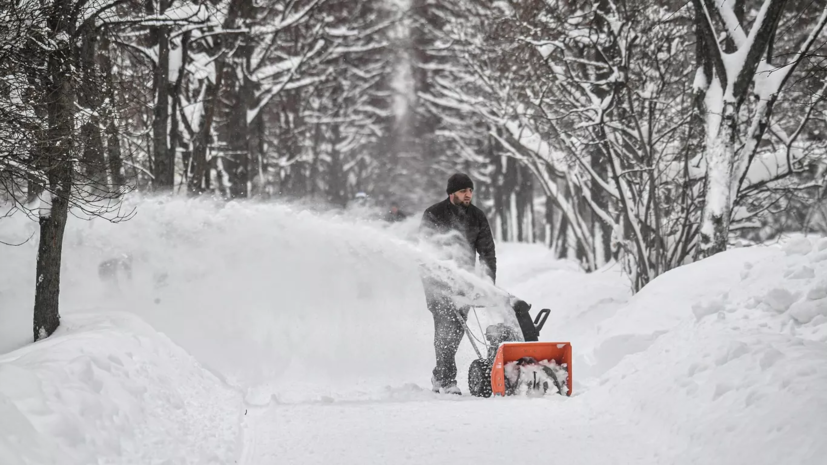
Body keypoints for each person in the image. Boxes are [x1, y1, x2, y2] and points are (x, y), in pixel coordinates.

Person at [419, 173, 496, 395]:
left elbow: (487, 252)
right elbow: (426, 247)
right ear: (452, 193)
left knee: (458, 328)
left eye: (470, 191)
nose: (468, 195)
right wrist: (442, 268)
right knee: (445, 326)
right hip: (436, 280)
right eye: (463, 191)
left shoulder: (477, 216)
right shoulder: (434, 214)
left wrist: (488, 282)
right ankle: (447, 380)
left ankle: (438, 374)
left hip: (464, 281)